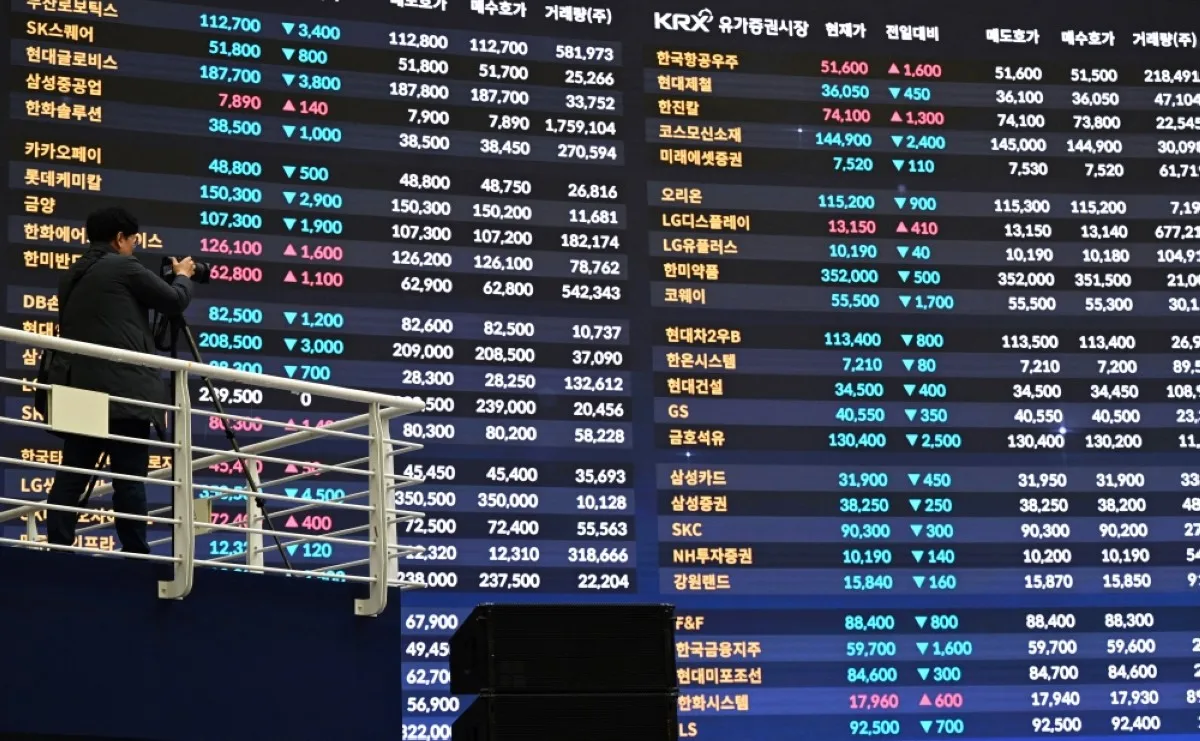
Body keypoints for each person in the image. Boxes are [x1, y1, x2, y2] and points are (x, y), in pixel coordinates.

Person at [45, 207, 196, 554]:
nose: (134, 249)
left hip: (78, 387)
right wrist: (183, 275)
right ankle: (135, 553)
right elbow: (173, 300)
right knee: (128, 479)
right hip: (123, 392)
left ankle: (58, 546)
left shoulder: (73, 273)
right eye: (132, 242)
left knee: (73, 472)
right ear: (119, 239)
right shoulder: (123, 266)